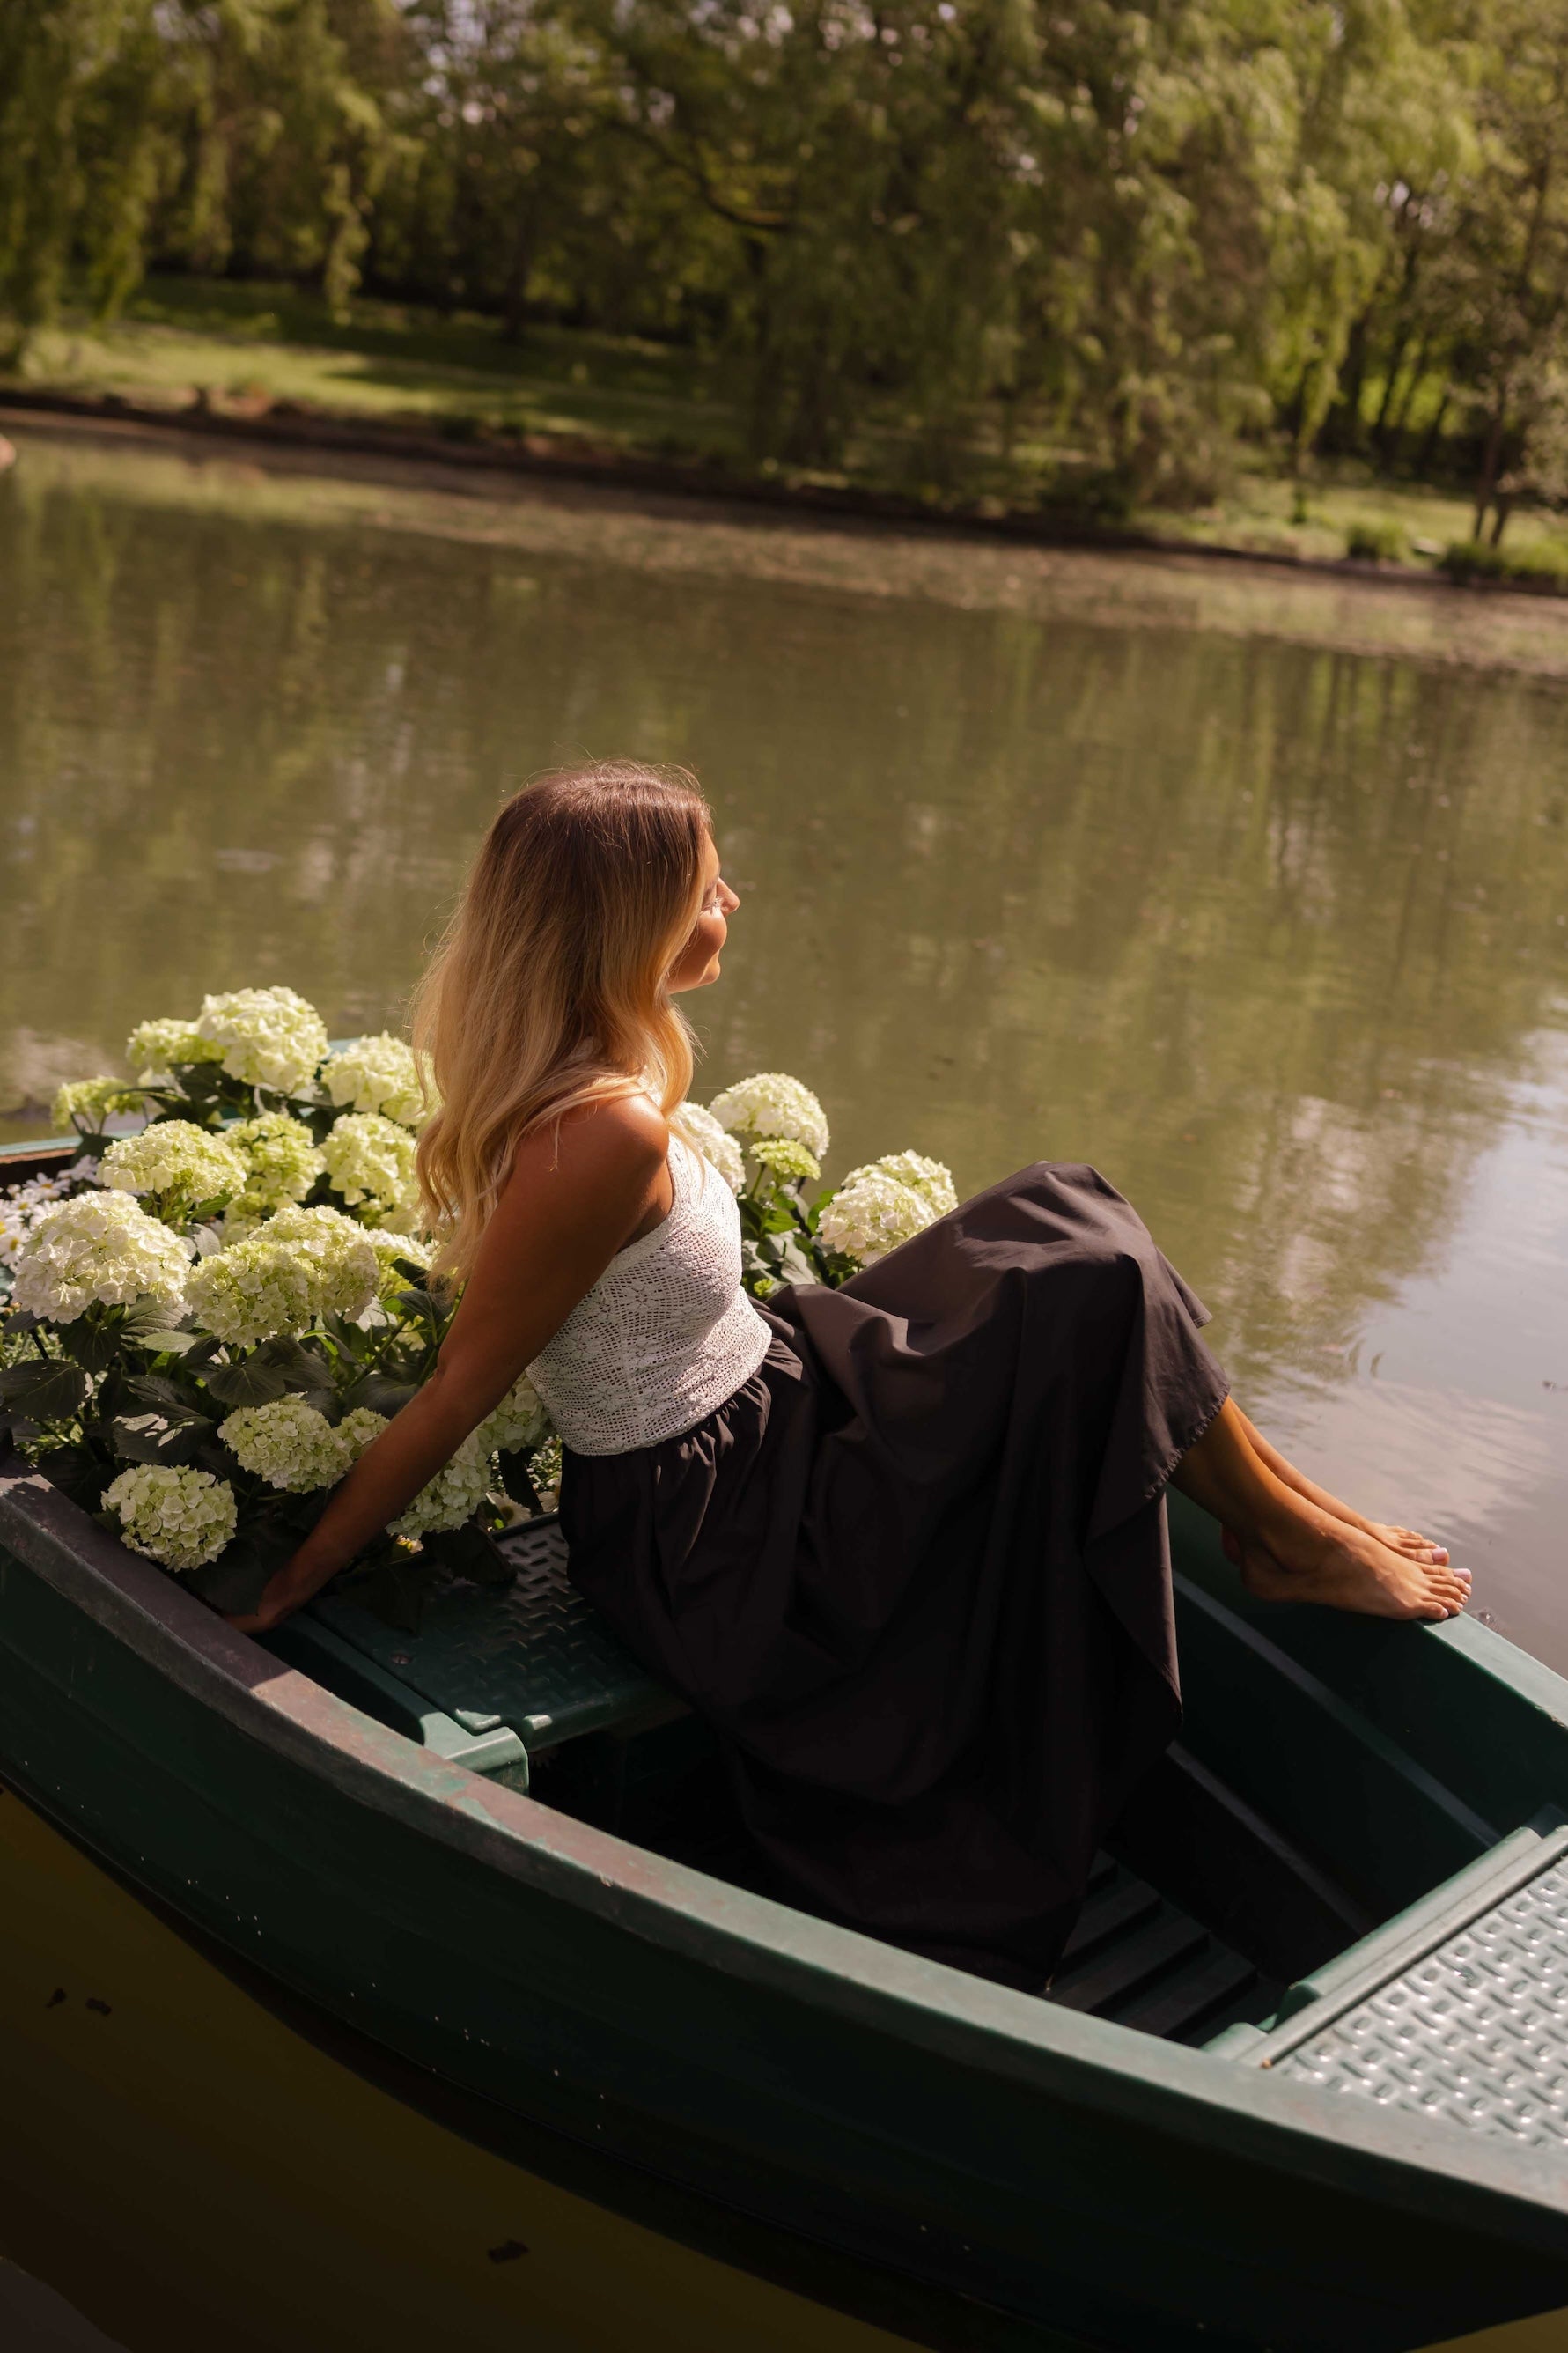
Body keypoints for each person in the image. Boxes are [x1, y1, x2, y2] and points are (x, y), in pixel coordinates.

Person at [231, 762, 1470, 1989]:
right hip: (720, 1526)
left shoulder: (603, 1069)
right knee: (1093, 1281)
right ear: (630, 926)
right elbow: (459, 1389)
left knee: (1067, 1214)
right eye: (708, 890)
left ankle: (1299, 1521)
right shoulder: (599, 1133)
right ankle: (1289, 1537)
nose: (732, 903)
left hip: (780, 1390)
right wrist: (289, 1584)